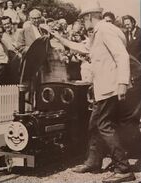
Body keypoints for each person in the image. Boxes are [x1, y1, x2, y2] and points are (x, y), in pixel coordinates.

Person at [51, 1, 135, 182]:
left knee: (104, 125)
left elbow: (122, 55)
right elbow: (85, 48)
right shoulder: (100, 32)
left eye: (83, 19)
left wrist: (122, 82)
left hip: (110, 86)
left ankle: (123, 168)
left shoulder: (105, 30)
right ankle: (93, 162)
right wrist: (60, 39)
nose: (83, 23)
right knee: (95, 124)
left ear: (88, 17)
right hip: (104, 87)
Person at [1, 16, 21, 83]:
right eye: (4, 24)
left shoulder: (18, 32)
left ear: (11, 23)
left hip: (21, 59)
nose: (6, 26)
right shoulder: (2, 36)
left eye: (8, 23)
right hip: (10, 62)